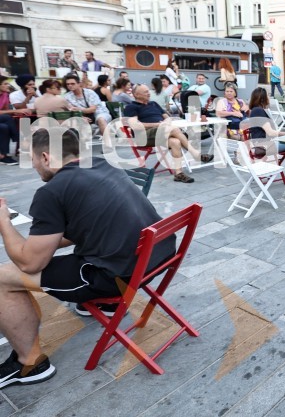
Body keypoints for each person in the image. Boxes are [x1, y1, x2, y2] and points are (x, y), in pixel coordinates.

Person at [0, 128, 174, 389]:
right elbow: (89, 225)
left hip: (116, 275)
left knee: (4, 278)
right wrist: (41, 245)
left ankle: (29, 363)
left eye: (32, 158)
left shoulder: (52, 191)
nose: (33, 165)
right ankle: (102, 304)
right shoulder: (102, 165)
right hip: (155, 259)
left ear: (46, 157)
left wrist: (3, 220)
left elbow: (29, 264)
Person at [124, 85, 212, 183]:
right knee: (170, 128)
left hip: (162, 132)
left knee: (175, 142)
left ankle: (178, 173)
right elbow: (135, 125)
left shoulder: (153, 104)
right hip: (144, 136)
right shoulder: (131, 107)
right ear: (136, 94)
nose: (149, 93)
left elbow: (167, 117)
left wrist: (167, 122)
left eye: (148, 91)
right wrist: (158, 125)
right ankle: (195, 154)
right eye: (145, 92)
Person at [243, 88, 285, 161]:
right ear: (262, 99)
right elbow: (270, 132)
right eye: (268, 95)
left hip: (265, 144)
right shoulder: (258, 111)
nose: (269, 98)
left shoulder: (256, 110)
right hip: (265, 146)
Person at [0, 75, 25, 164]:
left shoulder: (5, 95)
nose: (8, 86)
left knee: (4, 127)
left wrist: (15, 112)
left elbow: (6, 110)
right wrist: (17, 110)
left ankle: (3, 156)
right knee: (7, 118)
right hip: (3, 117)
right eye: (5, 84)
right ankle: (18, 139)